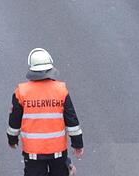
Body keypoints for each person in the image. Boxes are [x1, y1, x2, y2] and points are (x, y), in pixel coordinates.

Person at [7, 48, 84, 176]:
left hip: (33, 153)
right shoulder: (61, 90)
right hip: (58, 152)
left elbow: (14, 122)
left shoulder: (21, 92)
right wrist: (77, 144)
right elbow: (72, 121)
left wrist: (12, 140)